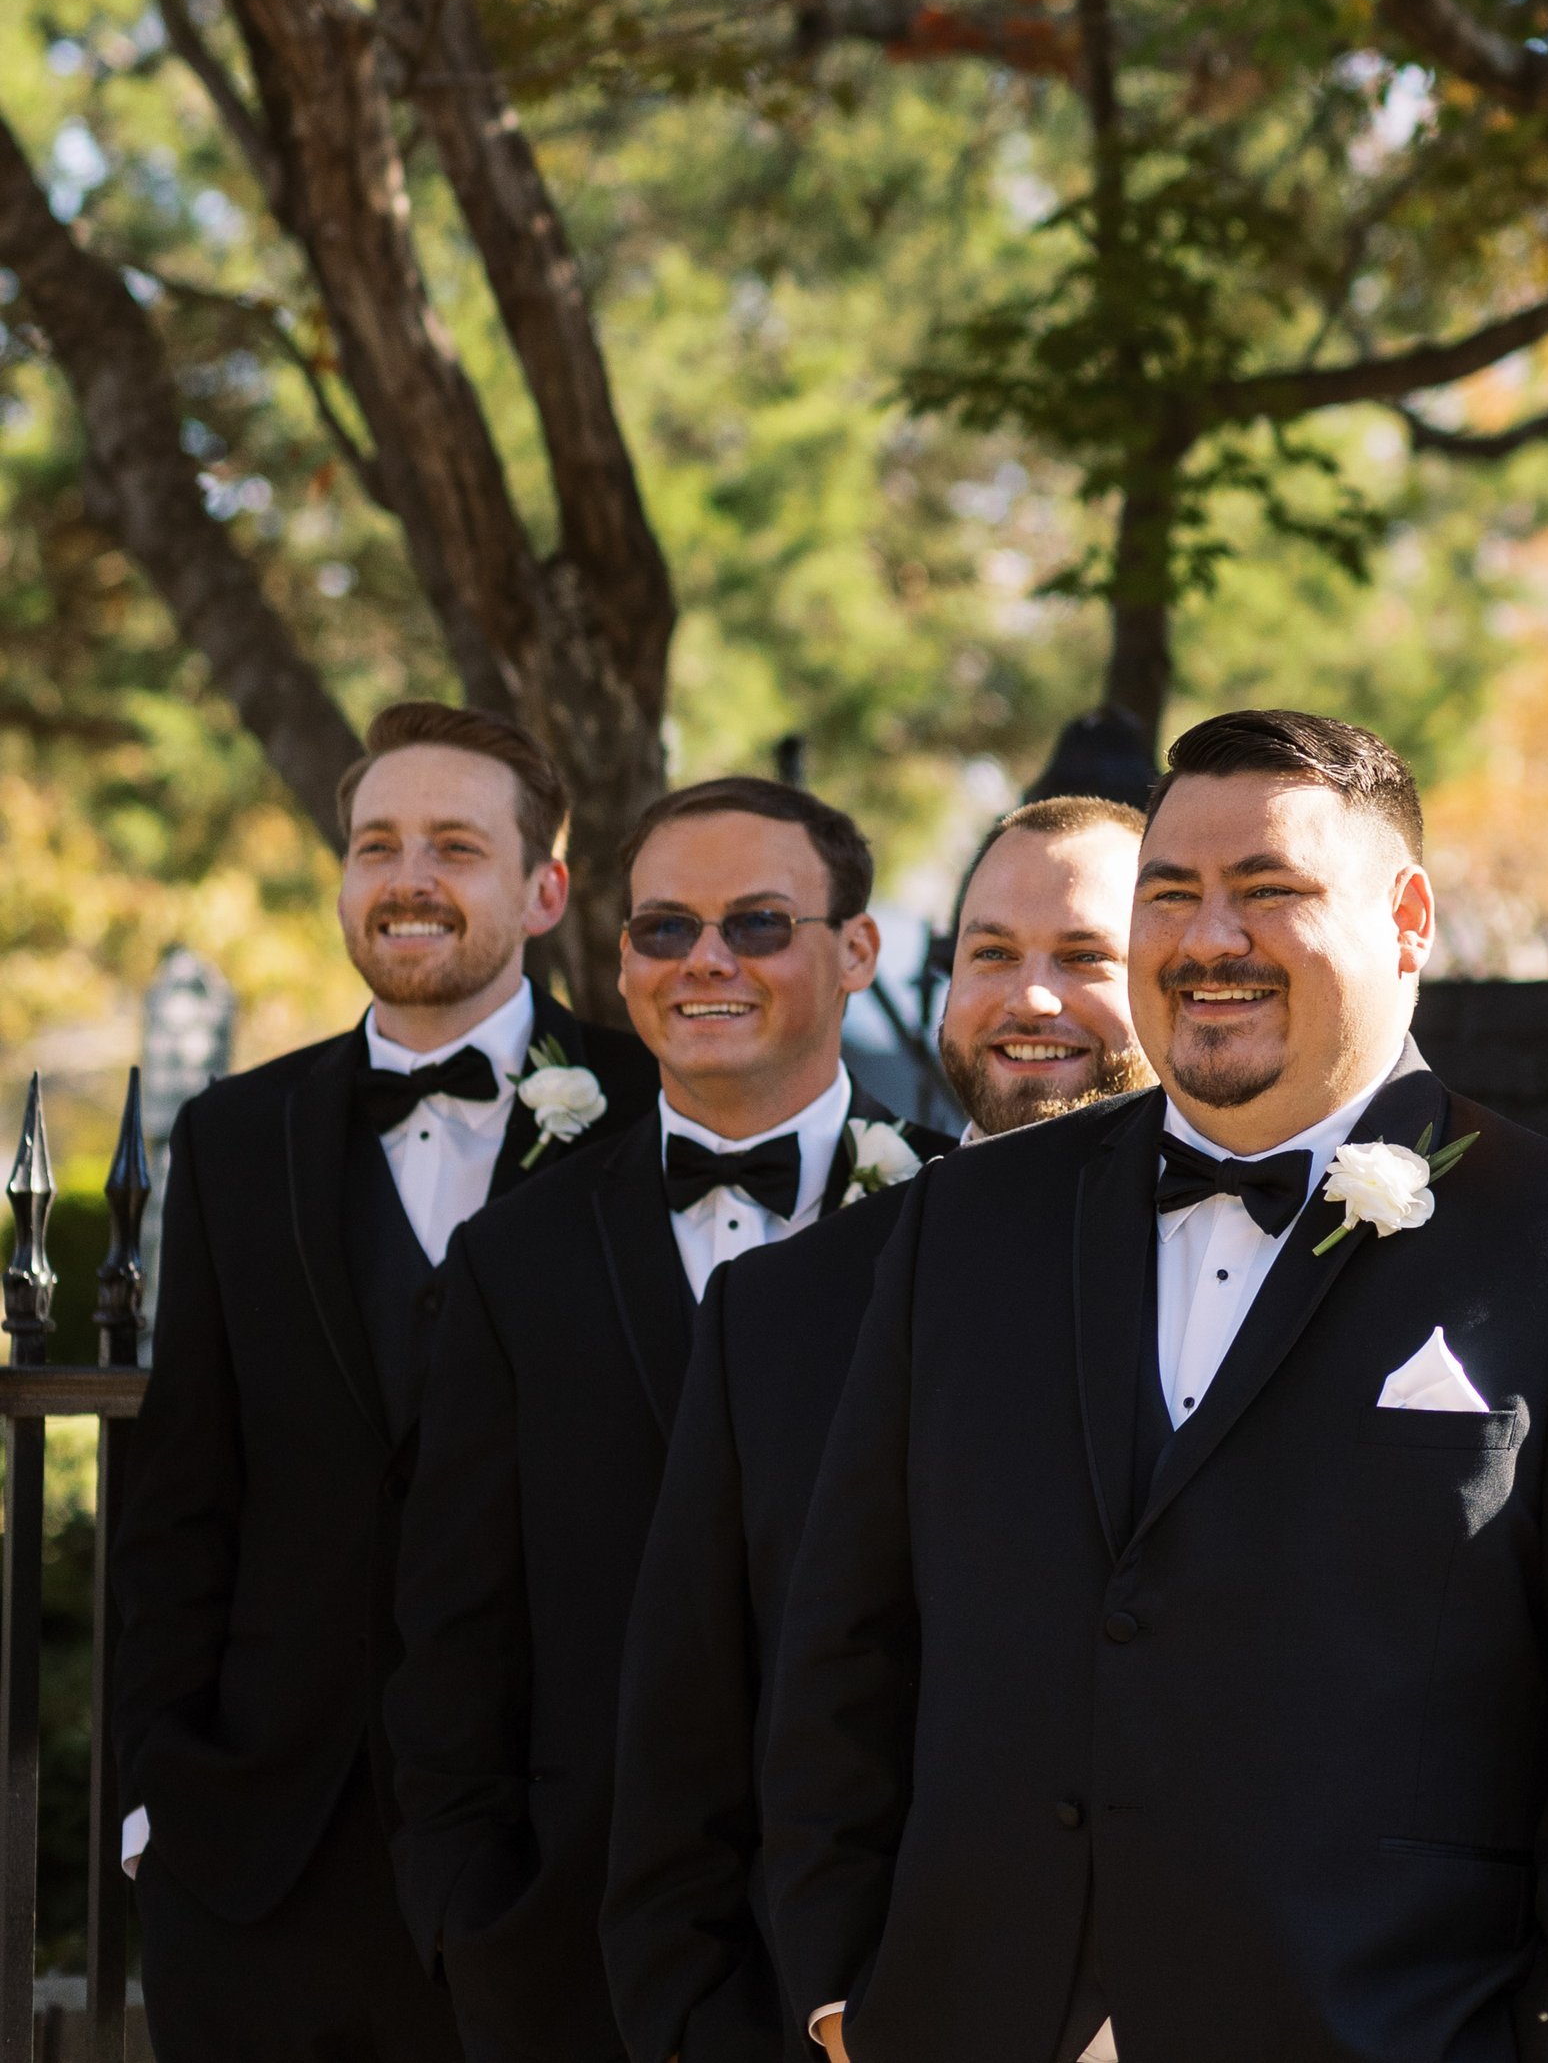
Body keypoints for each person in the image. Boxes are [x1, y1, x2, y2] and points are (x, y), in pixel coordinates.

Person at [760, 706, 1548, 2063]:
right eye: (1171, 893)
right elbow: (849, 1631)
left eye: (1271, 890)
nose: (1209, 937)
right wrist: (841, 1982)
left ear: (1408, 919)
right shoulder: (972, 1222)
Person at [112, 700, 654, 2063]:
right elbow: (182, 1485)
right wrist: (153, 1796)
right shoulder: (236, 1133)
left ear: (544, 889)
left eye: (455, 845)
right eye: (377, 844)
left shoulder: (652, 1107)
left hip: (556, 1849)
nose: (407, 877)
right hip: (260, 1852)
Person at [388, 772, 949, 2063]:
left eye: (757, 922)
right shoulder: (512, 1259)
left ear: (857, 948)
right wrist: (472, 1920)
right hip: (567, 1958)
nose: (706, 959)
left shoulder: (956, 1225)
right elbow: (450, 1632)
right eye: (663, 927)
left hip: (892, 1950)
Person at [603, 791, 1152, 2063]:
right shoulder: (782, 1313)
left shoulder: (1295, 1290)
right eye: (990, 955)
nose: (1032, 999)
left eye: (1086, 957)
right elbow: (688, 1748)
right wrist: (817, 2016)